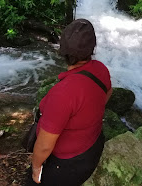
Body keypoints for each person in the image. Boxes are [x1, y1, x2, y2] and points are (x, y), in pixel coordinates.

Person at [25, 19, 112, 186]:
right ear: (92, 48)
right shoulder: (101, 69)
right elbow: (108, 93)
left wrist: (36, 167)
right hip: (93, 146)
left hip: (68, 164)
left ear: (62, 50)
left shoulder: (63, 93)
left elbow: (44, 146)